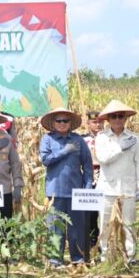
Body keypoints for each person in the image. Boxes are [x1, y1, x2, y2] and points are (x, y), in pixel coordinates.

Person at [39, 107, 93, 266]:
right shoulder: (47, 140)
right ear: (53, 123)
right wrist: (65, 151)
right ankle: (56, 260)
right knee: (56, 227)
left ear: (70, 123)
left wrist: (88, 185)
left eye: (65, 121)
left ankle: (78, 258)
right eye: (59, 121)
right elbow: (46, 160)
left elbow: (87, 164)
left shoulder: (78, 140)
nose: (62, 123)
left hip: (75, 191)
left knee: (77, 228)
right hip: (55, 191)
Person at [94, 100, 139, 263]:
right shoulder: (101, 137)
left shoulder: (134, 138)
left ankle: (130, 255)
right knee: (105, 223)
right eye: (114, 116)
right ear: (108, 119)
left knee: (129, 223)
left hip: (128, 187)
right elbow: (103, 158)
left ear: (125, 118)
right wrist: (120, 148)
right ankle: (105, 256)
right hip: (107, 187)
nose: (117, 119)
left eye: (121, 116)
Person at [81, 110, 102, 254]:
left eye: (100, 121)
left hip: (104, 176)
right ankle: (92, 241)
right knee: (90, 213)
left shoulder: (108, 138)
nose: (98, 124)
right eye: (94, 122)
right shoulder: (82, 139)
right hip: (88, 177)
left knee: (105, 211)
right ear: (88, 123)